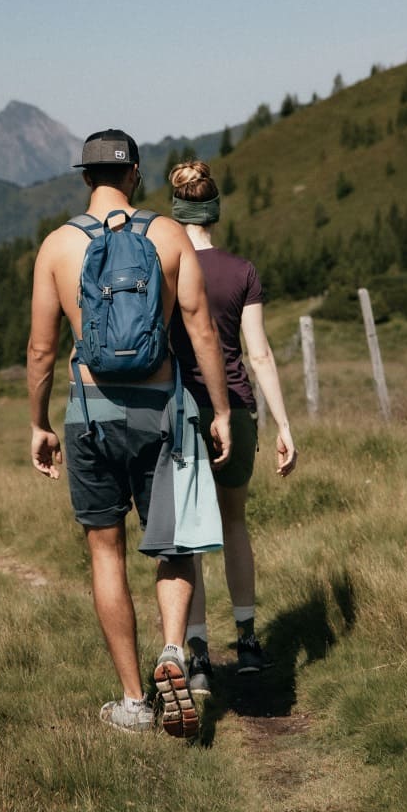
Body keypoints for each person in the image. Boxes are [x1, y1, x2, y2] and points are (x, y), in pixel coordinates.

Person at [28, 130, 232, 737]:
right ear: (137, 174)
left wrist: (38, 423)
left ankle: (134, 701)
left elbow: (42, 350)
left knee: (105, 551)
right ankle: (175, 650)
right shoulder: (168, 236)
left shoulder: (58, 246)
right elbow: (200, 332)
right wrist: (219, 410)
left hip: (90, 413)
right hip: (161, 411)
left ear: (84, 177)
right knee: (172, 545)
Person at [167, 159, 297, 693]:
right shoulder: (241, 271)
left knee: (188, 538)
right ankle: (246, 641)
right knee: (235, 524)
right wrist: (285, 424)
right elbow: (259, 353)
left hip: (180, 412)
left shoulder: (165, 268)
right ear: (214, 212)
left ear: (178, 212)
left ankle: (196, 653)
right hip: (237, 408)